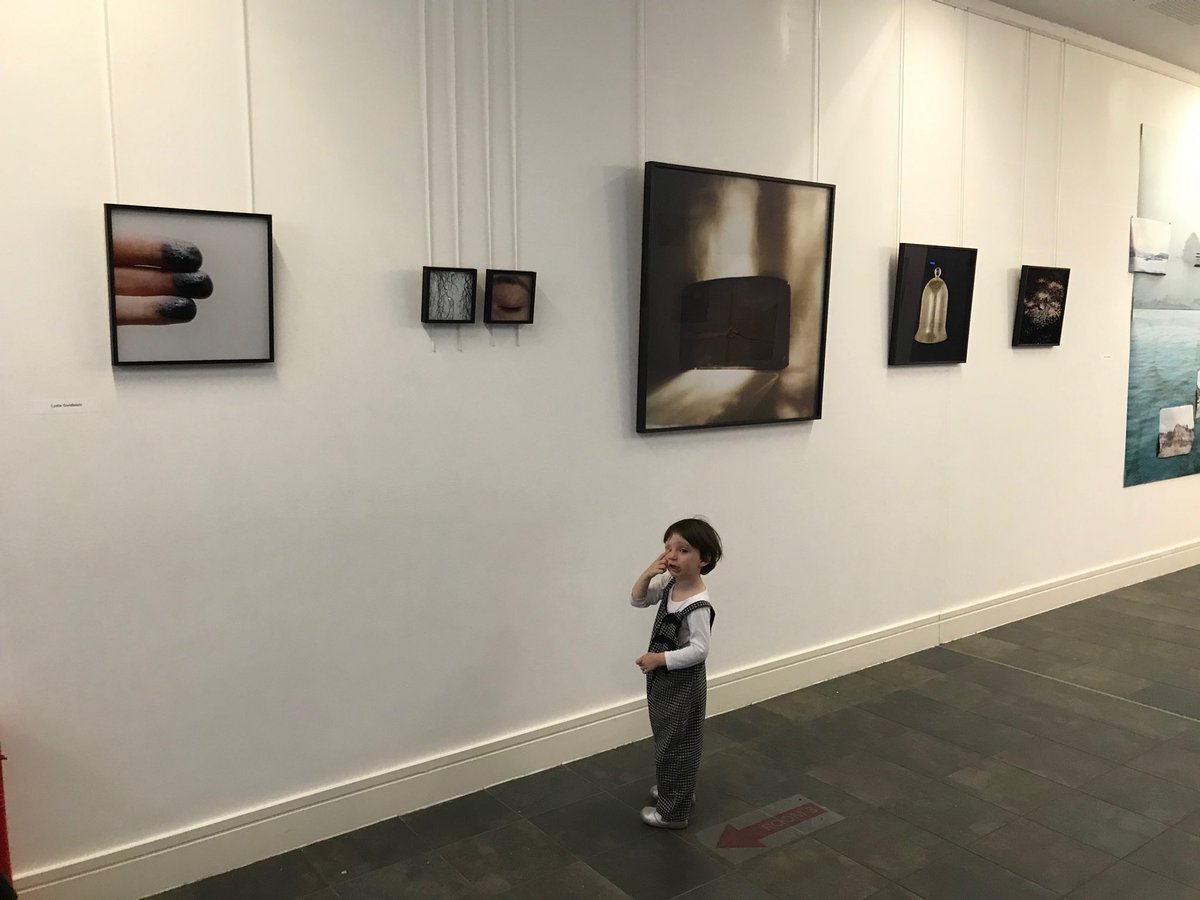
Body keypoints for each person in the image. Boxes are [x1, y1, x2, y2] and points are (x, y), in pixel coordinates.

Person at [631, 517, 722, 829]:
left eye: (682, 550)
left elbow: (699, 650)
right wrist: (647, 572)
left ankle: (673, 811)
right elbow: (638, 599)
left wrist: (659, 659)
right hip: (666, 679)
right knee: (669, 738)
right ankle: (676, 790)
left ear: (704, 559)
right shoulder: (671, 585)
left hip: (681, 682)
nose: (671, 556)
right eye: (667, 548)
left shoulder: (697, 605)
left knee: (677, 743)